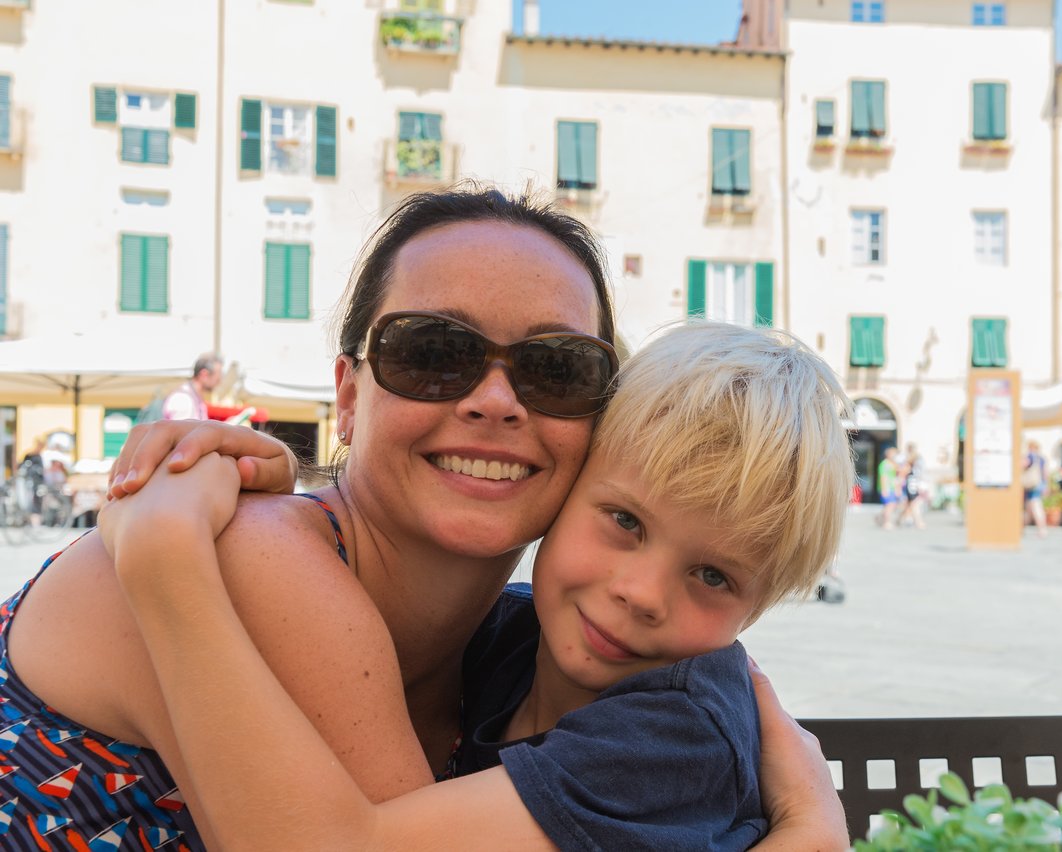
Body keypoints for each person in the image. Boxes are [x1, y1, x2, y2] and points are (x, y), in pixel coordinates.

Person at [0, 187, 838, 850]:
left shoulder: (506, 646)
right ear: (348, 397)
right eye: (433, 353)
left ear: (596, 425)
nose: (495, 400)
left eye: (555, 367)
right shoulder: (257, 554)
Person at [98, 322, 855, 849]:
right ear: (568, 489)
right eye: (625, 521)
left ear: (759, 606)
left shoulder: (673, 733)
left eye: (714, 576)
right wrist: (274, 482)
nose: (643, 592)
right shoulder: (510, 633)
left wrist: (168, 566)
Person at [161, 352, 224, 421]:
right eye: (217, 376)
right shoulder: (183, 399)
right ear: (204, 374)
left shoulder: (195, 397)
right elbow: (183, 431)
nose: (219, 381)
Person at [894, 444, 927, 530]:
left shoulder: (916, 460)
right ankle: (918, 522)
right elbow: (902, 472)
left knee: (909, 504)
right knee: (913, 503)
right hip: (911, 484)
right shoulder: (907, 461)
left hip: (914, 483)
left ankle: (898, 520)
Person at [1022, 440, 1048, 537]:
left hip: (1031, 485)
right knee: (1030, 508)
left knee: (1035, 507)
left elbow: (1022, 465)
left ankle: (1042, 529)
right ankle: (1021, 528)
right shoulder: (1042, 458)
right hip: (1039, 484)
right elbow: (1045, 473)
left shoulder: (1030, 456)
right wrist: (1046, 485)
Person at [876, 445, 899, 528]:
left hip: (892, 488)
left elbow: (896, 477)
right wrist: (884, 490)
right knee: (890, 505)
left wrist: (897, 488)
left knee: (891, 505)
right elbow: (883, 477)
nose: (895, 456)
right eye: (894, 454)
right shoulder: (884, 464)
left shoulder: (893, 464)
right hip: (887, 488)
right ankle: (887, 523)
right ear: (888, 454)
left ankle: (880, 517)